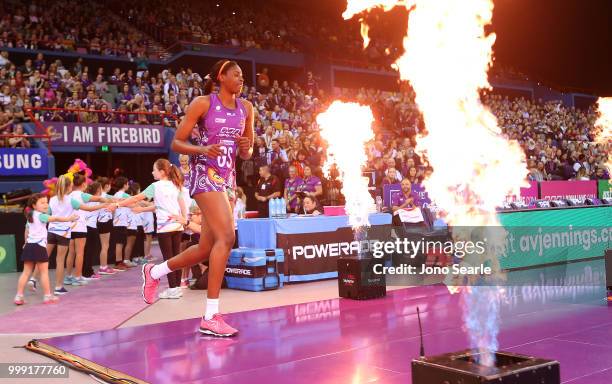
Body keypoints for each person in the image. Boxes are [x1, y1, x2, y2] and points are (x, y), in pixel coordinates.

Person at [140, 59, 254, 336]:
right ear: (221, 76)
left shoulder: (247, 108)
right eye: (236, 75)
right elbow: (177, 142)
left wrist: (247, 146)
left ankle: (153, 273)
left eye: (242, 76)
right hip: (204, 175)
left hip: (227, 179)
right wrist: (203, 150)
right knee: (226, 237)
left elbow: (246, 154)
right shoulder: (203, 103)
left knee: (206, 248)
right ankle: (211, 315)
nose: (241, 79)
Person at [118, 159, 187, 300]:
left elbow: (137, 197)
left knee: (168, 260)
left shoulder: (156, 186)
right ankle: (176, 288)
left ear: (161, 172)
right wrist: (184, 219)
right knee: (176, 258)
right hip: (177, 226)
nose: (152, 172)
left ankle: (173, 289)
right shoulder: (176, 185)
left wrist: (118, 205)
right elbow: (171, 206)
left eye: (154, 169)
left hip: (165, 228)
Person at [15, 194, 77, 305]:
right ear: (34, 205)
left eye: (46, 202)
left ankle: (19, 296)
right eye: (42, 203)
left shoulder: (30, 216)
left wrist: (25, 243)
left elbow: (27, 231)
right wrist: (69, 218)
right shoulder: (40, 216)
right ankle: (48, 296)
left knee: (26, 273)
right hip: (39, 247)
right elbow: (55, 218)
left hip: (29, 246)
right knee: (44, 273)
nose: (45, 205)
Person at [65, 173, 111, 285]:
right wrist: (107, 201)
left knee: (71, 253)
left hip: (69, 227)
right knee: (80, 253)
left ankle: (68, 276)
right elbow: (98, 199)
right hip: (80, 226)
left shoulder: (69, 196)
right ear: (84, 184)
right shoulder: (82, 195)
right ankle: (78, 277)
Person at [96, 177, 116, 275]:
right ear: (107, 186)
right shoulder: (105, 196)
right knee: (105, 245)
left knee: (104, 245)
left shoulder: (98, 196)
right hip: (104, 222)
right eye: (109, 185)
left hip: (101, 221)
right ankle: (103, 267)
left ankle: (104, 265)